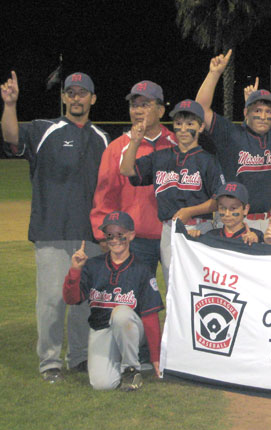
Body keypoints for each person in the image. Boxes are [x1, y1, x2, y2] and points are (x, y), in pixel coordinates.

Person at [2, 71, 109, 382]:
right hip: (50, 230)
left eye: (82, 93)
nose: (76, 98)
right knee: (51, 300)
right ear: (64, 97)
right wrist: (10, 105)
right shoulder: (43, 130)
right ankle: (50, 362)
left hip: (89, 234)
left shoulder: (102, 138)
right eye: (71, 93)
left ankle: (79, 357)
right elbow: (11, 138)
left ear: (93, 98)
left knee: (82, 302)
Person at [120, 99, 225, 286]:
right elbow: (127, 170)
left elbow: (219, 200)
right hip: (170, 229)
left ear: (200, 127)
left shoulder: (208, 160)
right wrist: (135, 142)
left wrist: (190, 211)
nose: (183, 129)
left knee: (199, 284)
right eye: (178, 123)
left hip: (201, 228)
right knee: (173, 285)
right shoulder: (160, 157)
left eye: (190, 124)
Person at [62, 211, 164, 391]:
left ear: (131, 235)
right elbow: (72, 299)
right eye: (110, 235)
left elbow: (150, 316)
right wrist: (75, 270)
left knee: (121, 313)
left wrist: (156, 357)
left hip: (131, 330)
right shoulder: (93, 266)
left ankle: (131, 369)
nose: (115, 239)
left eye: (120, 234)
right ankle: (118, 363)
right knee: (102, 384)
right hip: (101, 329)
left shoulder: (141, 269)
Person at [195, 52, 271, 232]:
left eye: (268, 111)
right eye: (257, 110)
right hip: (232, 220)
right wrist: (214, 73)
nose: (263, 116)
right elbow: (200, 109)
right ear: (245, 113)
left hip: (265, 220)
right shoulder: (231, 135)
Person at [91, 80, 176, 278]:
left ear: (161, 110)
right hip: (133, 239)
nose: (138, 110)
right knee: (135, 301)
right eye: (134, 105)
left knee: (180, 297)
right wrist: (103, 236)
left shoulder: (177, 144)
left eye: (145, 105)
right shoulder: (117, 148)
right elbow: (105, 196)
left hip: (173, 236)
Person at [188, 182, 264, 244]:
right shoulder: (211, 236)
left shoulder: (256, 236)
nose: (227, 214)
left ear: (246, 209)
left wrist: (262, 242)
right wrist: (193, 238)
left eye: (233, 208)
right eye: (223, 208)